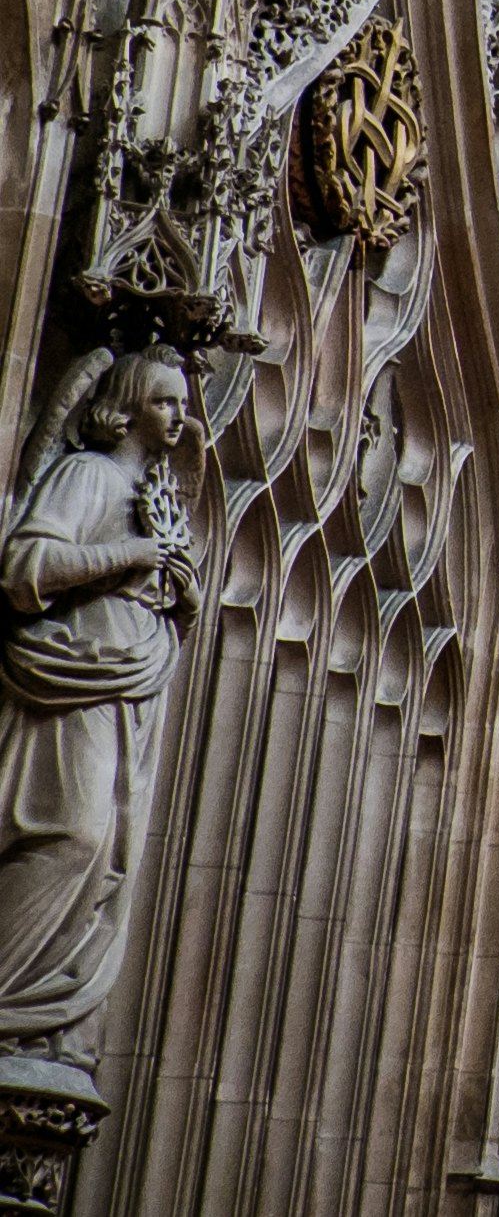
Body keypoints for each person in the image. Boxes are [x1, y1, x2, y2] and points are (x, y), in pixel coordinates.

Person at [0, 346, 198, 1065]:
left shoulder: (153, 489)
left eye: (183, 402)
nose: (181, 416)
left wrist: (175, 583)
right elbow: (26, 567)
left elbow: (163, 581)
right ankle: (10, 1003)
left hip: (130, 685)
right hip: (69, 675)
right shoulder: (88, 473)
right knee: (71, 835)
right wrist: (132, 554)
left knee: (110, 853)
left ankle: (44, 1016)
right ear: (128, 404)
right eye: (166, 401)